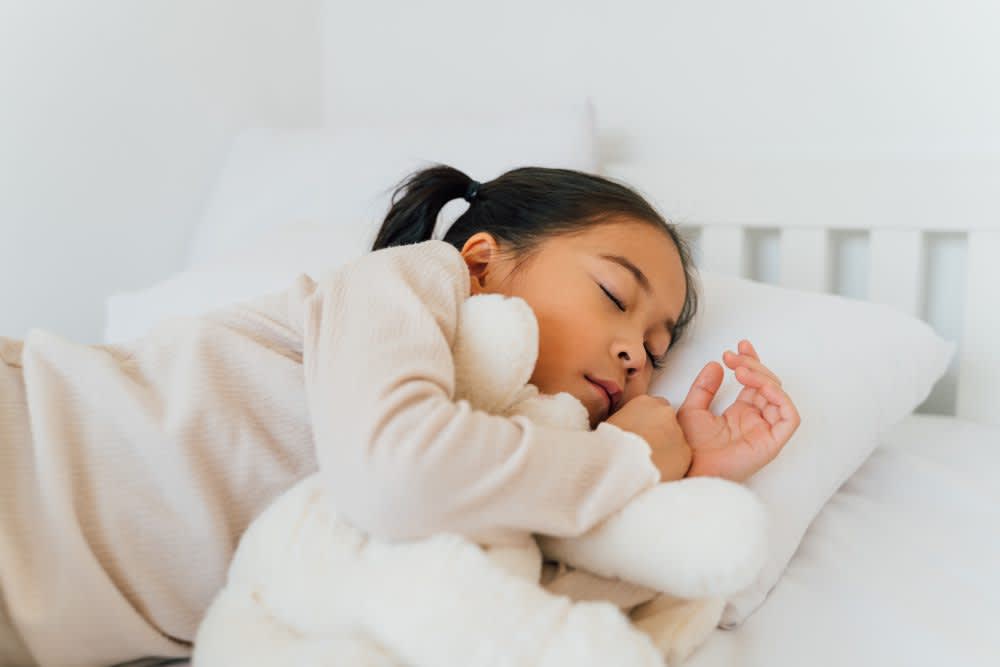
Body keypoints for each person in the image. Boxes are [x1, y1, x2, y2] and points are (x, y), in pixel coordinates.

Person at [0, 164, 799, 667]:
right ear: (483, 260)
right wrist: (628, 463)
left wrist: (683, 480)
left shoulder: (520, 456)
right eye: (616, 297)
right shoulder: (405, 287)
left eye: (659, 351)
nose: (635, 354)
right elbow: (395, 472)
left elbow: (510, 611)